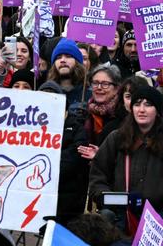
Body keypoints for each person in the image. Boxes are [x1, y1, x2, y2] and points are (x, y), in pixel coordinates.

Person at [87, 83, 163, 234]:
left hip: (159, 217)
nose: (141, 109)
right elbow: (98, 177)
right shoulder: (116, 139)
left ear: (158, 111)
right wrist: (108, 199)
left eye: (148, 105)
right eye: (137, 104)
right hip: (119, 217)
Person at [59, 63, 126, 219]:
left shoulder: (124, 117)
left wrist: (101, 157)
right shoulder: (82, 113)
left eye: (105, 84)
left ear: (117, 88)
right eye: (95, 83)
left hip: (111, 187)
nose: (99, 87)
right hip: (80, 187)